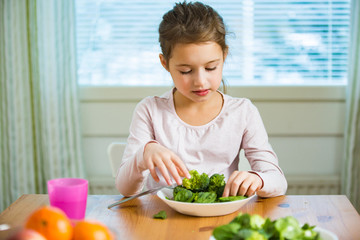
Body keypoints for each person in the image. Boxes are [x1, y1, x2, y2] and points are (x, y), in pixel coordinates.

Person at [115, 1, 287, 198]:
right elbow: (124, 189)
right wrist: (144, 154)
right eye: (185, 71)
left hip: (221, 218)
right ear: (165, 63)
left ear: (224, 56)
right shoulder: (150, 110)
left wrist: (259, 179)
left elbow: (278, 181)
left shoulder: (243, 112)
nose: (200, 81)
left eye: (211, 67)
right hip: (161, 219)